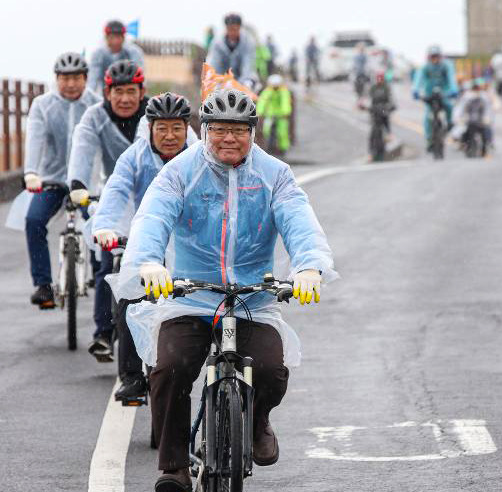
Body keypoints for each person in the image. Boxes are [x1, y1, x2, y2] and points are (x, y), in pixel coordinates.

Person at [116, 88, 337, 491]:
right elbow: (153, 215)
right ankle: (174, 467)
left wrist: (309, 267)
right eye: (218, 130)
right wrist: (149, 261)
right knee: (170, 368)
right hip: (190, 295)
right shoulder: (180, 172)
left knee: (271, 371)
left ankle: (257, 423)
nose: (229, 139)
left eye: (239, 130)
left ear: (253, 132)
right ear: (204, 130)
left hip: (253, 296)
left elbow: (299, 220)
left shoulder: (275, 175)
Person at [92, 92, 193, 401]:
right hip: (145, 243)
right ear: (149, 127)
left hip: (191, 247)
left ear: (187, 128)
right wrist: (106, 227)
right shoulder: (134, 156)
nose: (169, 135)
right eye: (161, 127)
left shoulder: (201, 157)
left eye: (177, 127)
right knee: (129, 302)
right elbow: (116, 190)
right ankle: (133, 377)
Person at [67, 59, 148, 362]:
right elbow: (82, 149)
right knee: (105, 262)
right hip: (110, 196)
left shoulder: (155, 114)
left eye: (131, 91)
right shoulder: (94, 116)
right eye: (118, 92)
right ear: (106, 93)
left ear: (142, 92)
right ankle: (103, 332)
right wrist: (76, 182)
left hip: (149, 197)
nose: (125, 99)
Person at [23, 52, 100, 308]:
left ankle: (102, 280)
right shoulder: (43, 104)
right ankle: (44, 285)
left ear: (85, 79)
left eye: (76, 77)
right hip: (52, 180)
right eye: (65, 78)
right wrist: (31, 172)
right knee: (33, 220)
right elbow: (34, 138)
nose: (70, 83)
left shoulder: (96, 104)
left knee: (102, 227)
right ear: (56, 79)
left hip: (85, 182)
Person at [413, 45, 458, 150]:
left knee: (449, 107)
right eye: (432, 57)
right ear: (429, 57)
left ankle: (450, 123)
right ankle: (429, 139)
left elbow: (452, 79)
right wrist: (415, 91)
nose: (435, 59)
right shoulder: (425, 67)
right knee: (428, 116)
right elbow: (418, 79)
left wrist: (454, 91)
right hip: (429, 94)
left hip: (444, 93)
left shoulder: (446, 66)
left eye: (437, 57)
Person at [88, 20, 144, 93]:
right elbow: (92, 80)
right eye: (112, 37)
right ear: (106, 37)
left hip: (129, 94)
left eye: (118, 37)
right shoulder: (98, 54)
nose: (115, 41)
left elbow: (140, 78)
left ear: (124, 37)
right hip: (104, 95)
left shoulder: (134, 52)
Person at [206, 13, 258, 88]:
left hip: (243, 80)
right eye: (229, 29)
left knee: (250, 87)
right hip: (222, 80)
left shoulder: (248, 42)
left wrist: (242, 84)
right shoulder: (217, 43)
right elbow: (214, 64)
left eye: (235, 29)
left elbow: (248, 65)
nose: (232, 32)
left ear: (240, 28)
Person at [453, 78, 494, 151]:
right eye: (476, 87)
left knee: (487, 131)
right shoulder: (467, 96)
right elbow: (460, 108)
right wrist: (458, 117)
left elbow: (488, 109)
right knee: (461, 131)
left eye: (479, 88)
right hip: (469, 120)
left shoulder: (484, 97)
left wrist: (487, 118)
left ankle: (487, 146)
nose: (477, 90)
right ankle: (463, 143)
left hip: (480, 120)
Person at [257, 74, 293, 156]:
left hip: (281, 116)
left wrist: (285, 112)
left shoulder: (284, 91)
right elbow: (263, 101)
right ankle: (268, 146)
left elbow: (285, 102)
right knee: (266, 130)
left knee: (282, 131)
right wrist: (260, 111)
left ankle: (283, 148)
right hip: (270, 114)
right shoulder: (268, 91)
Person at [367, 70, 396, 138]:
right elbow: (367, 97)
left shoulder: (386, 87)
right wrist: (363, 104)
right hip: (375, 108)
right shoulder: (373, 87)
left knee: (385, 119)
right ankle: (373, 138)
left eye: (381, 78)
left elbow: (391, 98)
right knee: (373, 123)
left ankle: (389, 134)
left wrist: (390, 106)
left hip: (383, 108)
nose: (379, 80)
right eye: (378, 78)